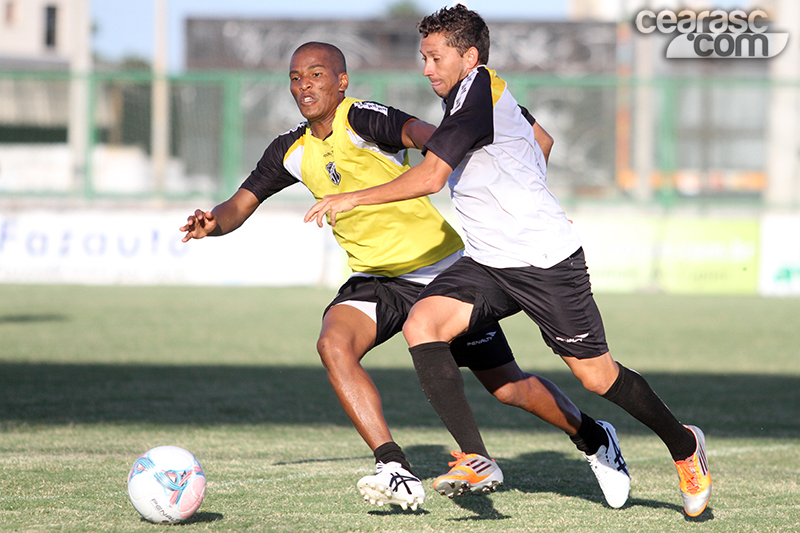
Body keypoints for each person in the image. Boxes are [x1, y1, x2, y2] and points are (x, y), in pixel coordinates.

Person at [182, 41, 630, 512]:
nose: (305, 85)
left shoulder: (365, 119)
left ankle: (594, 435)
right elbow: (240, 204)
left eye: (316, 75)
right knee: (334, 343)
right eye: (296, 77)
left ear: (342, 82)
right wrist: (213, 222)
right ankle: (392, 466)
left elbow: (436, 138)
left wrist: (520, 195)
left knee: (508, 388)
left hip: (443, 272)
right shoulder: (289, 150)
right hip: (377, 279)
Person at [305, 6, 712, 519]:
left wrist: (353, 199)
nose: (426, 68)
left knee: (597, 377)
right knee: (422, 324)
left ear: (468, 56)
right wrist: (521, 182)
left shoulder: (476, 93)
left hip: (545, 263)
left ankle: (683, 445)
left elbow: (431, 178)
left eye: (435, 57)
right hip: (488, 263)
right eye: (423, 57)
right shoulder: (478, 93)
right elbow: (542, 139)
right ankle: (476, 457)